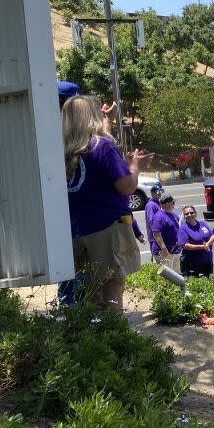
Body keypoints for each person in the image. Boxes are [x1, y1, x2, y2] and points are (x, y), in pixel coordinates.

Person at [62, 95, 151, 311]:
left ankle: (95, 337)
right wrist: (135, 166)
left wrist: (106, 122)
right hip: (107, 228)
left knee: (90, 292)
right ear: (91, 116)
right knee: (112, 287)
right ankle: (113, 336)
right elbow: (127, 187)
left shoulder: (63, 151)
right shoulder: (102, 146)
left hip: (77, 231)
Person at [177, 205, 214, 277]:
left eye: (192, 213)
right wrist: (202, 247)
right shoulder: (183, 229)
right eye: (186, 214)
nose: (189, 215)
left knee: (209, 282)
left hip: (207, 261)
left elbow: (213, 235)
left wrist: (207, 244)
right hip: (193, 264)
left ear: (196, 213)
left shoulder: (202, 224)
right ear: (184, 216)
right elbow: (185, 246)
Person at [151, 195, 181, 271]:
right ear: (167, 204)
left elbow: (179, 225)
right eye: (173, 203)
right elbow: (156, 234)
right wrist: (164, 250)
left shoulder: (173, 215)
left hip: (175, 251)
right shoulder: (159, 217)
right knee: (166, 277)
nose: (174, 204)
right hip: (165, 253)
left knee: (175, 275)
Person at [145, 184, 164, 258]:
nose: (160, 193)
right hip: (155, 238)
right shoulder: (151, 205)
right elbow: (151, 220)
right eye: (158, 192)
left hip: (160, 235)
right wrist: (156, 233)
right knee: (158, 258)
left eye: (161, 191)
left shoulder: (157, 202)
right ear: (152, 193)